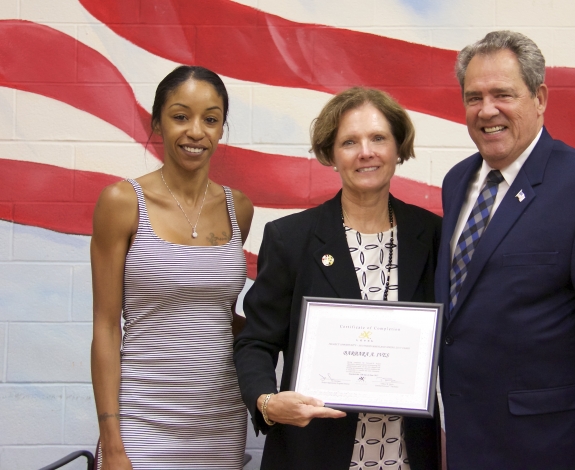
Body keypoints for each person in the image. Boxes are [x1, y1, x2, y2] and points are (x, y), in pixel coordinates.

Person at [434, 31, 575, 469]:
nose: (487, 110)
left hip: (552, 451)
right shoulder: (456, 182)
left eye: (503, 94)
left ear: (539, 98)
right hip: (469, 446)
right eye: (474, 97)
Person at [233, 87, 442, 470]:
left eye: (378, 138)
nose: (366, 152)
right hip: (312, 451)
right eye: (350, 141)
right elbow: (256, 343)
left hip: (406, 453)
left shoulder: (431, 235)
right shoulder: (291, 239)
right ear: (331, 154)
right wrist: (267, 400)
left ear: (398, 147)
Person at [90, 65, 253, 469]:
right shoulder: (122, 201)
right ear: (158, 123)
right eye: (181, 116)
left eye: (210, 119)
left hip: (220, 419)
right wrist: (113, 444)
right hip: (142, 418)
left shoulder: (240, 209)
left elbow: (215, 314)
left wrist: (298, 333)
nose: (195, 131)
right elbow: (106, 327)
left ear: (221, 129)